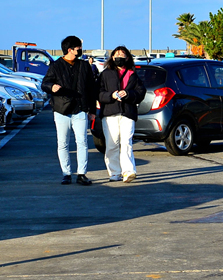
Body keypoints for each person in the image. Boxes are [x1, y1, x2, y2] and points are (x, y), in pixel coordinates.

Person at [42, 35, 98, 185]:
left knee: (82, 142)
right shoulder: (56, 66)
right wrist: (51, 87)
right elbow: (45, 83)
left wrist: (92, 110)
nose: (81, 50)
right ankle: (66, 173)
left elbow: (92, 89)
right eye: (79, 48)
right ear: (70, 49)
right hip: (61, 110)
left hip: (80, 109)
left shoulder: (84, 66)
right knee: (63, 143)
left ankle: (81, 174)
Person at [97, 46, 146, 183]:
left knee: (126, 142)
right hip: (110, 113)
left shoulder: (132, 74)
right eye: (116, 54)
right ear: (112, 57)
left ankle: (128, 172)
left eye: (122, 54)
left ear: (127, 57)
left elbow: (141, 92)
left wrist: (128, 94)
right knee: (112, 144)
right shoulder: (105, 74)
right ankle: (114, 173)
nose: (119, 57)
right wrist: (111, 95)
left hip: (127, 113)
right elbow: (98, 93)